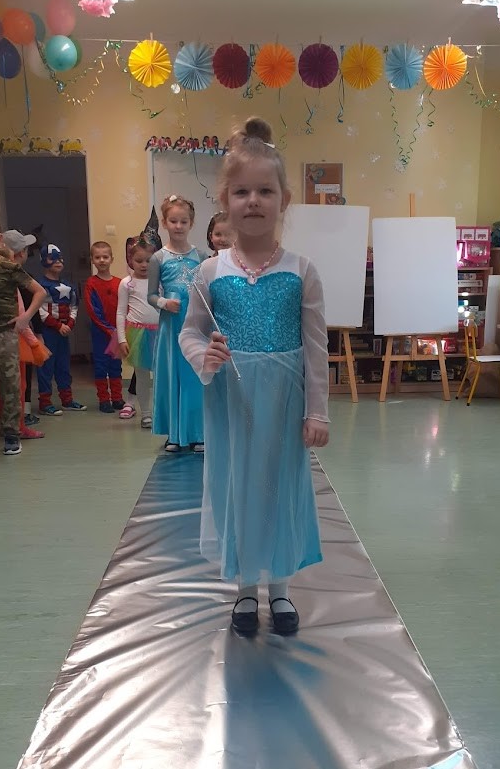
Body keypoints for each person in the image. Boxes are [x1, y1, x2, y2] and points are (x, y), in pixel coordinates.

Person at [179, 118, 330, 635]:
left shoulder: (302, 270)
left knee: (280, 487)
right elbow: (191, 332)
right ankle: (245, 588)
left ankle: (280, 588)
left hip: (284, 402)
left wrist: (317, 412)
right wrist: (205, 357)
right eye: (242, 191)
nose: (254, 201)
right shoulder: (210, 272)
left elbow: (316, 348)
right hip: (233, 401)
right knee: (237, 486)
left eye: (265, 191)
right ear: (225, 200)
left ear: (284, 199)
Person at [0, 213, 46, 456]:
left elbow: (39, 292)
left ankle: (11, 434)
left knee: (10, 387)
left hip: (5, 337)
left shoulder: (10, 268)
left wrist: (25, 318)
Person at [147, 195, 206, 452]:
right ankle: (173, 433)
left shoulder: (201, 256)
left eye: (183, 221)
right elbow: (150, 295)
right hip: (171, 326)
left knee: (194, 376)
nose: (178, 226)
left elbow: (207, 291)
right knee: (171, 376)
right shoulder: (158, 258)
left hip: (195, 325)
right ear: (164, 223)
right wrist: (163, 303)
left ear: (191, 223)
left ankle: (197, 432)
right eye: (173, 221)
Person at [1, 230, 47, 439]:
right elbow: (23, 314)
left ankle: (11, 423)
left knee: (6, 385)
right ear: (20, 253)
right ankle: (17, 425)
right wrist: (35, 342)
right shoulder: (18, 278)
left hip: (5, 336)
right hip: (16, 337)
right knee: (17, 384)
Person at [36, 244, 87, 415]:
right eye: (53, 258)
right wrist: (57, 325)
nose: (58, 261)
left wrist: (70, 324)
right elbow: (40, 310)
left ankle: (67, 399)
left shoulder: (68, 286)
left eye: (60, 258)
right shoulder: (39, 286)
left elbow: (74, 306)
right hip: (48, 332)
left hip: (63, 333)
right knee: (46, 367)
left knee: (63, 365)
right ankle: (45, 402)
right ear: (44, 260)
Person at [115, 237, 159, 428]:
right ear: (130, 260)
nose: (143, 265)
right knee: (141, 376)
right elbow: (120, 312)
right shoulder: (127, 283)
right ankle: (146, 414)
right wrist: (121, 339)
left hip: (160, 334)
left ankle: (161, 412)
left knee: (161, 375)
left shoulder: (160, 281)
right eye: (139, 260)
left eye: (148, 260)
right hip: (138, 335)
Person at [84, 241, 124, 413]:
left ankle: (117, 398)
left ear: (111, 259)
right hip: (100, 332)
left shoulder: (120, 283)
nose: (101, 260)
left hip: (117, 332)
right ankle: (103, 399)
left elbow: (125, 307)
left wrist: (120, 329)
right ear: (92, 260)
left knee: (116, 365)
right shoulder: (91, 283)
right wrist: (108, 329)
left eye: (105, 257)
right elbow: (93, 310)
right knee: (101, 366)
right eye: (97, 257)